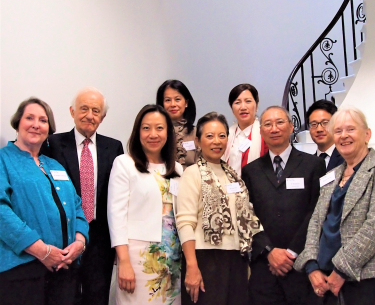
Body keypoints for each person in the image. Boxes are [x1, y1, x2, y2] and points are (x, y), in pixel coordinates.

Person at [294, 106, 375, 305]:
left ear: (367, 134)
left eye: (351, 129)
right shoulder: (331, 176)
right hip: (327, 281)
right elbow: (316, 222)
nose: (344, 136)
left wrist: (342, 268)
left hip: (371, 280)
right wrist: (311, 266)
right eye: (338, 131)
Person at [0, 97, 89, 305]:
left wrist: (80, 243)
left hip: (64, 271)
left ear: (49, 128)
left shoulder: (55, 165)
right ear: (17, 122)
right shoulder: (3, 159)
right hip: (21, 273)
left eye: (43, 120)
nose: (35, 124)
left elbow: (77, 207)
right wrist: (42, 251)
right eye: (29, 118)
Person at [41, 87, 124, 305]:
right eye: (84, 109)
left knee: (97, 297)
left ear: (103, 117)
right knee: (63, 297)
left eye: (96, 111)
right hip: (64, 238)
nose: (89, 115)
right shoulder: (53, 144)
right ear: (72, 111)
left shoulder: (114, 147)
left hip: (100, 238)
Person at [242, 106, 326, 305]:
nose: (274, 128)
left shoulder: (313, 165)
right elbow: (247, 215)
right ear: (261, 132)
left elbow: (316, 211)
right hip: (264, 266)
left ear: (290, 126)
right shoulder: (250, 171)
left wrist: (291, 253)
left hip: (301, 265)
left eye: (280, 122)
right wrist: (269, 250)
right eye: (268, 124)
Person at [177, 112, 262, 305]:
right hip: (204, 259)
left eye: (222, 136)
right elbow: (185, 222)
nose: (217, 141)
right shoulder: (192, 173)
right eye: (209, 136)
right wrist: (191, 266)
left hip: (236, 259)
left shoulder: (233, 175)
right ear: (198, 141)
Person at [108, 104, 183, 304]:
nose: (153, 134)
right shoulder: (125, 163)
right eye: (146, 128)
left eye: (159, 128)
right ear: (137, 131)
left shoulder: (177, 169)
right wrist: (123, 261)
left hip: (172, 260)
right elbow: (116, 215)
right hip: (139, 259)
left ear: (168, 132)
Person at [222, 83, 268, 176]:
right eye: (237, 102)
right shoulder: (225, 135)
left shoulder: (265, 133)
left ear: (257, 105)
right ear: (232, 109)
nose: (243, 107)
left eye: (248, 101)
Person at [156, 79, 199, 170]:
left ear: (186, 102)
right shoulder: (156, 133)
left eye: (177, 99)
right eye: (168, 100)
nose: (173, 104)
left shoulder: (196, 133)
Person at [306, 100, 344, 171]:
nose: (319, 129)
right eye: (314, 124)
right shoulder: (307, 163)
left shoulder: (346, 158)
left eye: (325, 123)